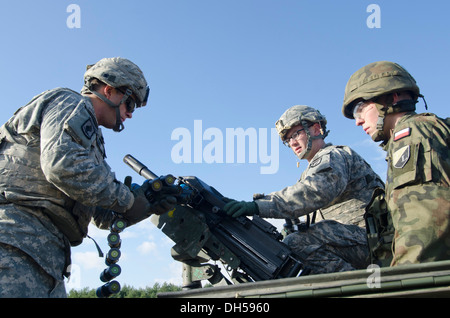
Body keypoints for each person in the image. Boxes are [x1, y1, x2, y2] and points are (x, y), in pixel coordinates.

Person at [0, 57, 177, 297]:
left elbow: (100, 216)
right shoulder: (71, 103)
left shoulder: (91, 144)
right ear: (109, 90)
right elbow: (61, 165)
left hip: (44, 253)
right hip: (16, 239)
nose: (130, 114)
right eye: (130, 104)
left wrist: (144, 204)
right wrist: (127, 199)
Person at [223, 105, 384, 274]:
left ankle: (358, 290)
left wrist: (258, 206)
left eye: (296, 134)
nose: (292, 142)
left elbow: (316, 191)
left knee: (297, 244)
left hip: (370, 239)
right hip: (353, 241)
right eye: (287, 140)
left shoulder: (333, 156)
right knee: (283, 250)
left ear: (315, 129)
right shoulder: (309, 172)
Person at [342, 60, 450, 267]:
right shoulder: (421, 133)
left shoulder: (411, 134)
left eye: (360, 109)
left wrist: (406, 282)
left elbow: (424, 228)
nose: (358, 121)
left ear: (390, 97)